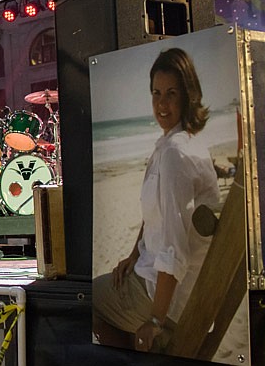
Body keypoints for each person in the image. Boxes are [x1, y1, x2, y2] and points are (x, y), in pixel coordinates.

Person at [93, 47, 220, 353]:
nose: (161, 104)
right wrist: (134, 255)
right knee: (104, 283)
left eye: (171, 93)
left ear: (188, 95)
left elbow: (173, 249)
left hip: (168, 298)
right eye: (156, 93)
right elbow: (157, 215)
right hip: (154, 276)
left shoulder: (175, 155)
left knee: (85, 300)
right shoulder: (173, 144)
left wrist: (155, 321)